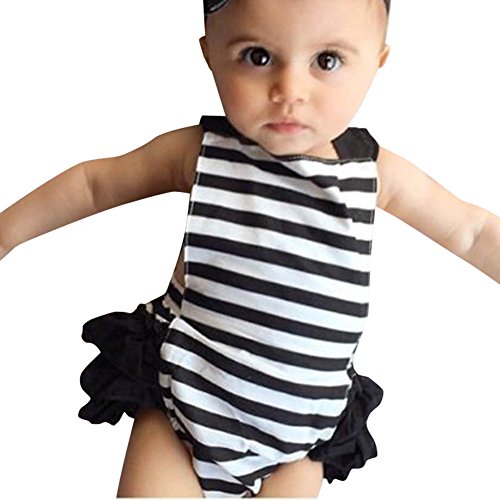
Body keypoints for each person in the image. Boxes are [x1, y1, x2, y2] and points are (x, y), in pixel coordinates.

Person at [1, 0, 499, 498]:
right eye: (258, 57)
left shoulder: (373, 174)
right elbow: (95, 184)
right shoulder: (203, 152)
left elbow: (471, 231)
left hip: (301, 435)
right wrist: (7, 231)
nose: (289, 91)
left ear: (377, 61)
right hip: (183, 396)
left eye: (326, 61)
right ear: (211, 54)